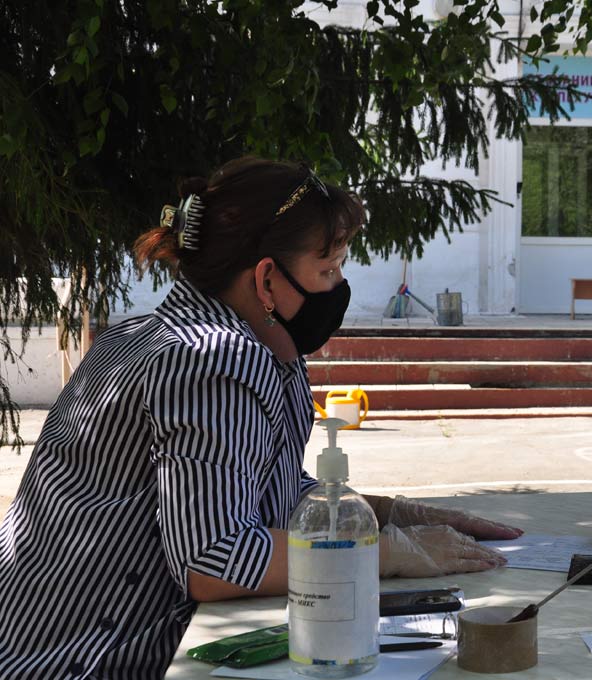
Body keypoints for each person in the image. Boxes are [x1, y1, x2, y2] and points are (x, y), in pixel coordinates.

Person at [0, 157, 520, 679]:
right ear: (267, 280)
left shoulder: (170, 337)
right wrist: (384, 553)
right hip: (75, 661)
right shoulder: (211, 358)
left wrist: (394, 515)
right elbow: (216, 559)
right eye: (328, 270)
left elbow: (262, 489)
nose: (338, 287)